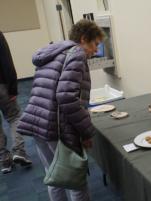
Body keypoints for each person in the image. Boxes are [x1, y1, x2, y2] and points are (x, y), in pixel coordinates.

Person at [17, 20, 104, 201]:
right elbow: (66, 97)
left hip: (37, 122)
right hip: (57, 128)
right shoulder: (77, 54)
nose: (96, 50)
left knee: (55, 177)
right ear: (83, 39)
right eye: (95, 44)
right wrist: (86, 132)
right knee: (75, 182)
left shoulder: (54, 51)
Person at [0, 31, 32, 174]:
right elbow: (6, 61)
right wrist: (13, 88)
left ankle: (4, 160)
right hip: (1, 86)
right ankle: (19, 151)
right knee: (14, 116)